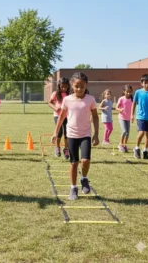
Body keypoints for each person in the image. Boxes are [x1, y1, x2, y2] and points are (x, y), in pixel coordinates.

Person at [51, 72, 99, 201]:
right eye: (76, 86)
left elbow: (95, 116)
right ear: (72, 85)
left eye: (82, 86)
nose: (79, 89)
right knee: (74, 163)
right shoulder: (67, 99)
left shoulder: (90, 99)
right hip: (71, 134)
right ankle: (73, 188)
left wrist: (96, 134)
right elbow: (61, 116)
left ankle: (84, 178)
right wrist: (56, 132)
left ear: (86, 85)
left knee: (85, 161)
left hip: (85, 134)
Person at [131, 74, 148, 159]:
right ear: (142, 83)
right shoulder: (138, 92)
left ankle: (145, 150)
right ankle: (137, 148)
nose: (147, 84)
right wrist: (132, 114)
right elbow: (134, 103)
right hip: (140, 116)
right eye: (145, 83)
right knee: (141, 132)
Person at [48, 77, 70, 159]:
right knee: (59, 131)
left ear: (68, 86)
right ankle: (57, 147)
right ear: (59, 86)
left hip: (67, 115)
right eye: (62, 86)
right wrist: (55, 108)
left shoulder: (69, 94)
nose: (64, 88)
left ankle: (66, 149)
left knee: (67, 132)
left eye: (66, 86)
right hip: (57, 115)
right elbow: (49, 103)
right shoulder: (55, 93)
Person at [116, 85, 133, 152]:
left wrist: (132, 116)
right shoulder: (121, 99)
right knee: (124, 131)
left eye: (130, 92)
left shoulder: (132, 99)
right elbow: (116, 107)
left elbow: (133, 108)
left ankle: (124, 145)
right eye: (127, 92)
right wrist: (120, 109)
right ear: (124, 91)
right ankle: (120, 144)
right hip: (122, 118)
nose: (128, 93)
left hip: (128, 118)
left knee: (128, 133)